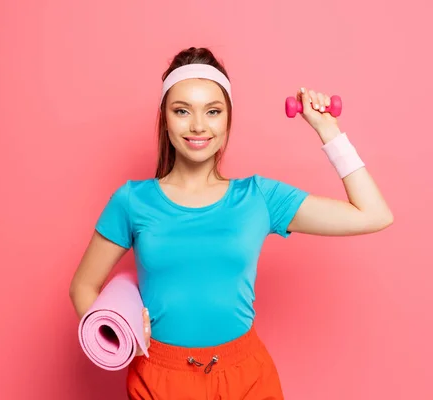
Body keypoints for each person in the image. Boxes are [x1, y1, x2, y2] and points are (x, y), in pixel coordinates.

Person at [69, 47, 393, 399]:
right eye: (182, 111)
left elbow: (374, 214)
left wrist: (329, 131)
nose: (198, 125)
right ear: (164, 117)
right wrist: (122, 341)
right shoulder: (132, 201)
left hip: (246, 377)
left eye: (213, 111)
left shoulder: (259, 198)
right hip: (158, 376)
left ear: (228, 119)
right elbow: (83, 287)